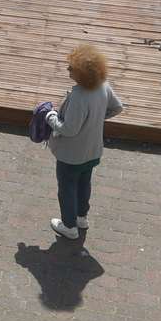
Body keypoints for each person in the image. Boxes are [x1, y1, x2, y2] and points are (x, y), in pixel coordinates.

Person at [43, 44, 124, 239]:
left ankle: (69, 226)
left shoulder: (79, 96)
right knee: (84, 184)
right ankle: (81, 217)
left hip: (71, 155)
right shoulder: (104, 86)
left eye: (71, 68)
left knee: (67, 188)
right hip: (93, 151)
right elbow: (117, 107)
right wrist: (96, 120)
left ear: (82, 74)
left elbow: (69, 130)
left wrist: (50, 116)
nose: (68, 70)